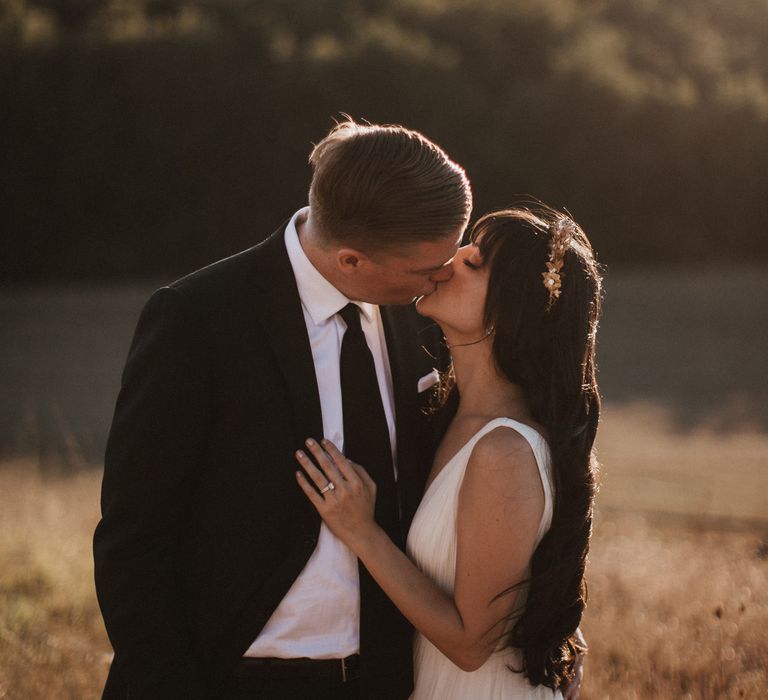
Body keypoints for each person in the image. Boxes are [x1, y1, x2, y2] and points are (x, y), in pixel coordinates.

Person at [93, 118, 471, 699]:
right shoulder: (198, 319)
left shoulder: (426, 316)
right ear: (351, 260)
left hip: (390, 678)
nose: (444, 278)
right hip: (235, 678)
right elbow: (135, 536)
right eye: (426, 269)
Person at [295, 207, 601, 699]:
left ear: (510, 310)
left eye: (473, 262)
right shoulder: (443, 414)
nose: (448, 259)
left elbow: (471, 643)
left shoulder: (504, 450)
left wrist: (361, 531)